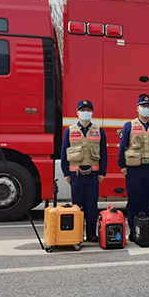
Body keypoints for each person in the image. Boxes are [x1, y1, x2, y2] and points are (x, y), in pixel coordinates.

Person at [118, 94, 149, 239]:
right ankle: (134, 231)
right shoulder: (129, 125)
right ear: (137, 108)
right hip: (134, 169)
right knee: (134, 201)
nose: (146, 109)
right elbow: (123, 146)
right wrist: (122, 165)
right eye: (143, 106)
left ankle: (147, 230)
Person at [61, 100, 107, 243]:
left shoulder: (99, 130)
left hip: (93, 175)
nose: (85, 112)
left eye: (88, 110)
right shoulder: (70, 130)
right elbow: (63, 153)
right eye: (83, 110)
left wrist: (102, 173)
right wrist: (66, 173)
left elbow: (104, 153)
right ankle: (77, 234)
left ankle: (91, 234)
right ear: (77, 112)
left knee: (92, 206)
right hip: (76, 175)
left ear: (92, 112)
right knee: (77, 206)